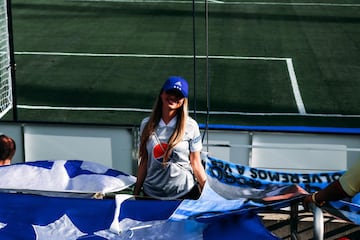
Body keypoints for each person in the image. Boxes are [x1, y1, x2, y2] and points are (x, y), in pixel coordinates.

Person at [133, 76, 206, 200]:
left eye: (178, 95)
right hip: (151, 195)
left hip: (184, 194)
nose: (173, 97)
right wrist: (135, 192)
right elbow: (144, 161)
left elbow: (196, 163)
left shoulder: (191, 126)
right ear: (161, 94)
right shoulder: (146, 124)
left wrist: (208, 192)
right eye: (170, 92)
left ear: (183, 100)